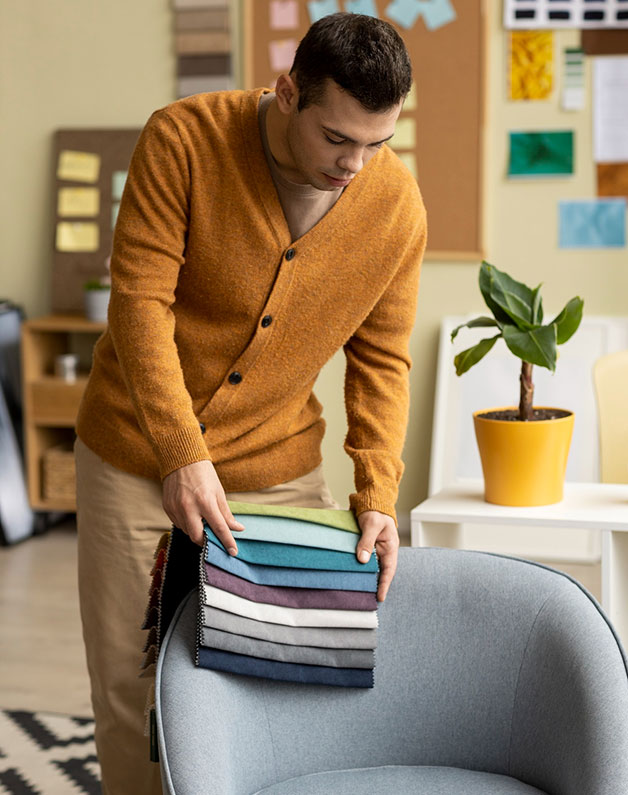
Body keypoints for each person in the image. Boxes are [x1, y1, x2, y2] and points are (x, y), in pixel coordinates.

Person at [74, 11, 427, 795]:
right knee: (132, 688)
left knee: (282, 680)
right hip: (134, 450)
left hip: (277, 465)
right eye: (338, 138)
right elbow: (139, 303)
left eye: (377, 144)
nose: (356, 164)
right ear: (287, 91)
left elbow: (381, 359)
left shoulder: (396, 207)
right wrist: (180, 451)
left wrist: (378, 492)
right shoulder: (183, 140)